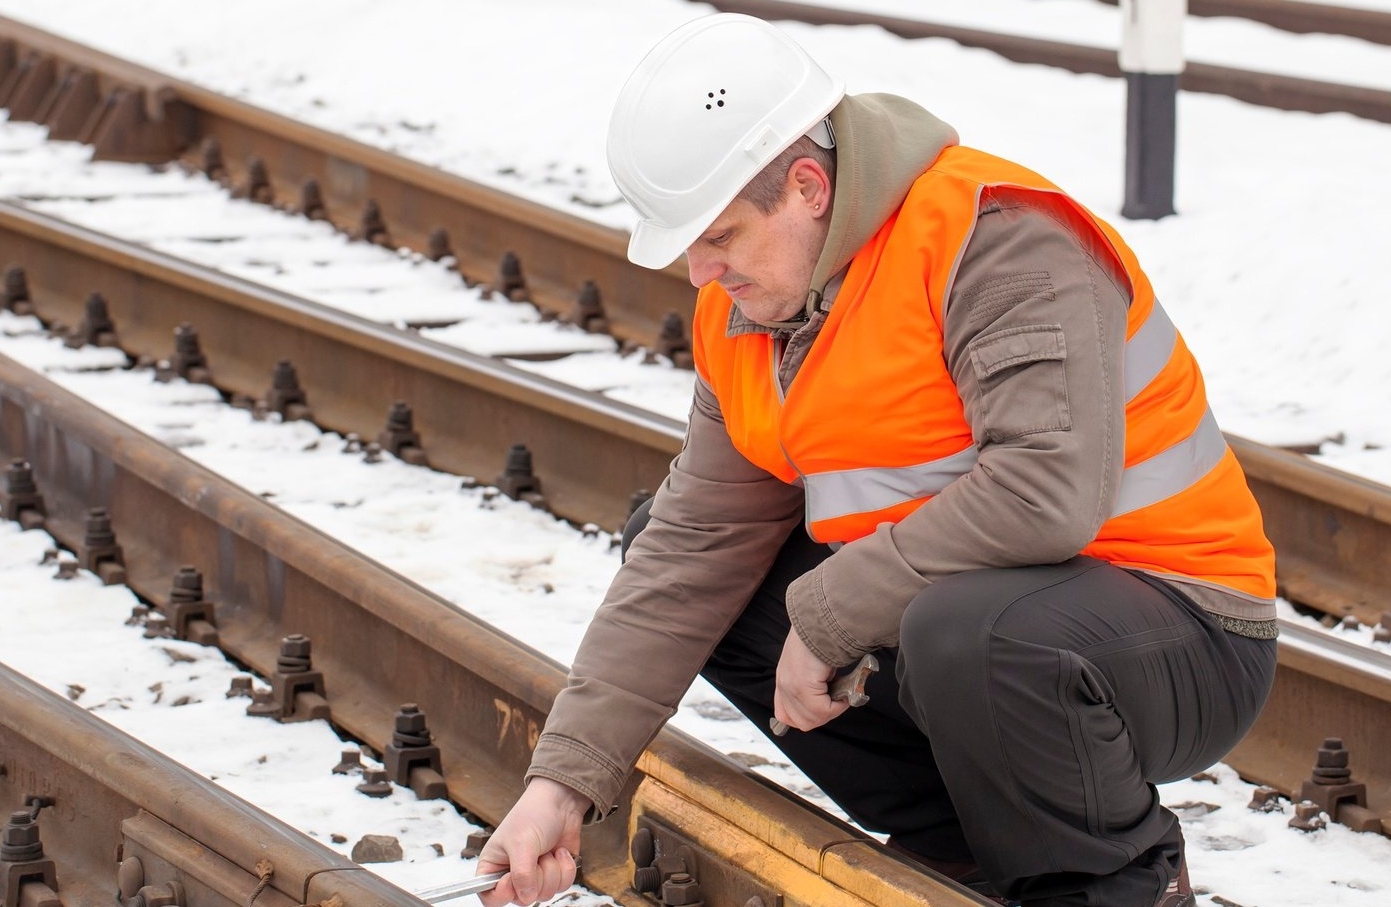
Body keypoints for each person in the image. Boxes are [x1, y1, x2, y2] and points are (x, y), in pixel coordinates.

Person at [477, 13, 1278, 907]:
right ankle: (967, 848)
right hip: (979, 626)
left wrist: (826, 611)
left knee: (967, 628)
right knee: (695, 564)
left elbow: (1044, 492)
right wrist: (563, 785)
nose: (701, 273)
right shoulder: (749, 313)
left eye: (720, 236)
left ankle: (1114, 883)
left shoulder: (994, 240)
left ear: (810, 187)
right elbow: (692, 547)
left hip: (1177, 629)